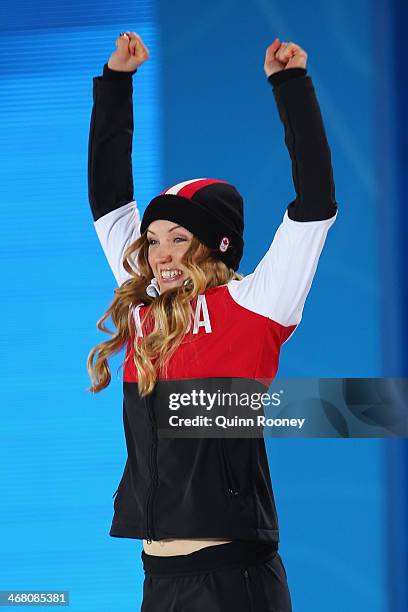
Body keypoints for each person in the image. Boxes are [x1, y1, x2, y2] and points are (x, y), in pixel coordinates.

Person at [87, 31, 338, 612]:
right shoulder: (148, 306)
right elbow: (107, 199)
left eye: (180, 238)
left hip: (232, 582)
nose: (161, 253)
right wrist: (116, 83)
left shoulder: (257, 304)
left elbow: (316, 203)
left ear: (217, 246)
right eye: (152, 241)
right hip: (157, 581)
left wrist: (292, 87)